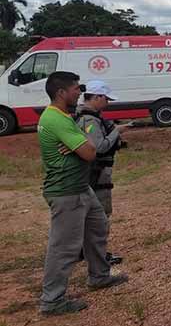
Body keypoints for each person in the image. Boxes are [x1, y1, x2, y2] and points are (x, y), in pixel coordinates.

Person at [38, 72, 128, 316]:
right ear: (61, 93)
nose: (80, 93)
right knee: (64, 247)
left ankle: (99, 276)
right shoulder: (56, 120)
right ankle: (52, 300)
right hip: (67, 191)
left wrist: (77, 146)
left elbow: (85, 148)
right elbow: (90, 152)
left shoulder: (65, 117)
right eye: (76, 89)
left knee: (98, 228)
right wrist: (81, 146)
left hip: (81, 188)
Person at [75, 81, 128, 265]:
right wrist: (116, 132)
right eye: (106, 99)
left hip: (94, 174)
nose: (108, 103)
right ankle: (97, 256)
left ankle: (86, 251)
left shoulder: (90, 117)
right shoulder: (89, 120)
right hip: (97, 176)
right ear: (96, 97)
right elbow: (99, 147)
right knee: (100, 217)